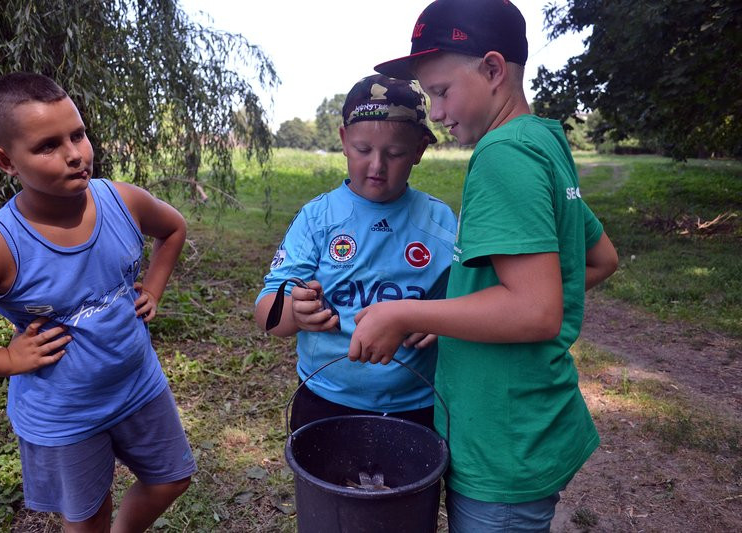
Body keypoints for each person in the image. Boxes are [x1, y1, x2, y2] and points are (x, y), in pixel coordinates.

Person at [349, 1, 619, 531]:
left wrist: (407, 314)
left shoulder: (502, 156)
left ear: (493, 69)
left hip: (503, 441)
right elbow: (596, 257)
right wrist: (465, 312)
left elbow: (537, 311)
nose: (438, 112)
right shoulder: (541, 141)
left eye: (442, 92)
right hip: (528, 426)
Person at [0, 72, 196, 532]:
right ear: (6, 161)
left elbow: (173, 228)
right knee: (87, 518)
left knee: (173, 478)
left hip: (139, 386)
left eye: (78, 134)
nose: (76, 154)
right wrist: (3, 359)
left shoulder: (122, 201)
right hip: (65, 414)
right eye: (47, 146)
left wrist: (153, 289)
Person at [254, 74, 457, 431]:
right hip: (324, 399)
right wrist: (295, 313)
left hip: (416, 405)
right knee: (324, 488)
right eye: (364, 150)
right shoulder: (318, 218)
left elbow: (469, 302)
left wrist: (441, 322)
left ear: (419, 150)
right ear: (345, 141)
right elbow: (267, 314)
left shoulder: (439, 221)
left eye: (394, 153)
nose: (377, 166)